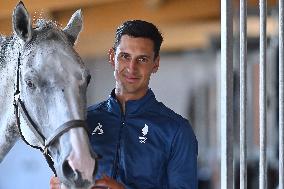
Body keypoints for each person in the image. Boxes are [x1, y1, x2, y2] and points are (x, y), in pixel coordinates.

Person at [50, 20, 198, 189]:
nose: (131, 68)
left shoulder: (176, 130)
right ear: (112, 57)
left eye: (142, 59)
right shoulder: (83, 123)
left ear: (155, 63)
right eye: (125, 56)